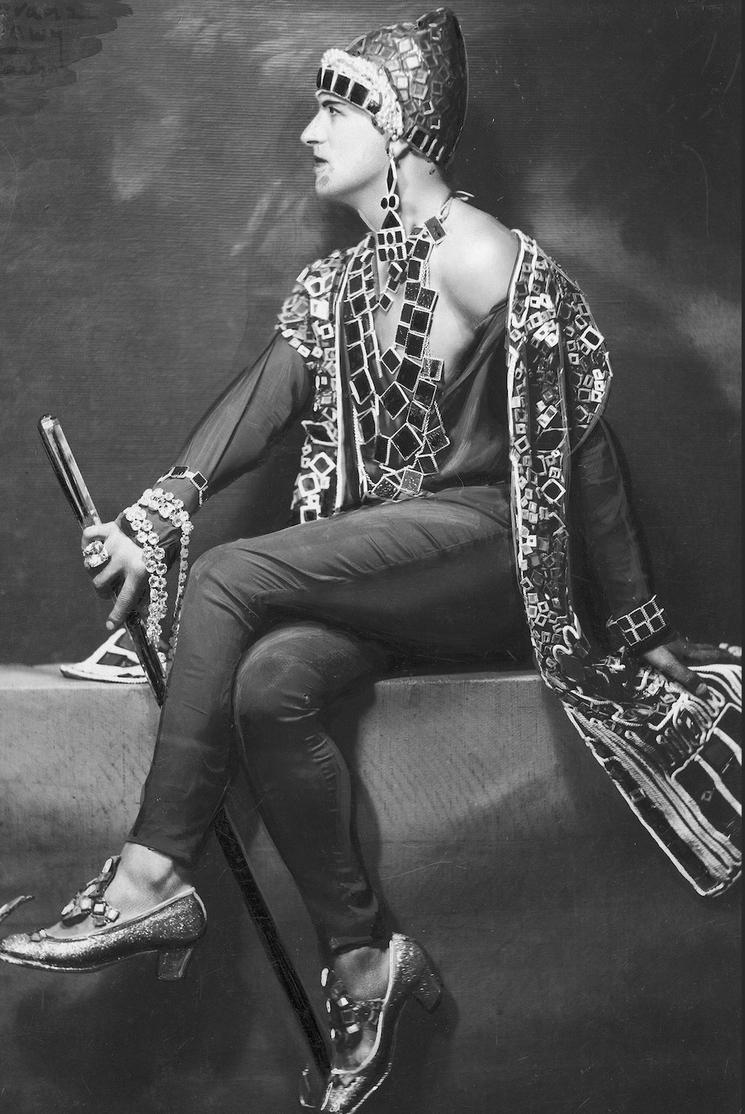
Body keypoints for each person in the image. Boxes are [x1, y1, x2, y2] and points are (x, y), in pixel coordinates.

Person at [1, 9, 740, 1114]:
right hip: (393, 571)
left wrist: (637, 625)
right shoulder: (342, 285)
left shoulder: (482, 253)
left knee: (228, 577)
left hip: (492, 552)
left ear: (398, 129)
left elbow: (583, 439)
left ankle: (151, 874)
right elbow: (258, 409)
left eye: (333, 110)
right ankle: (365, 962)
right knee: (270, 685)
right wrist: (151, 517)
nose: (308, 133)